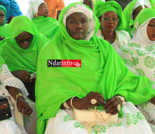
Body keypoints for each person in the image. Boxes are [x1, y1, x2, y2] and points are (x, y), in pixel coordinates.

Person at [35, 2, 155, 134]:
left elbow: (125, 79)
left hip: (109, 108)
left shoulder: (104, 49)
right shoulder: (52, 52)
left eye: (83, 22)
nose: (79, 26)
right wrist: (77, 102)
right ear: (64, 24)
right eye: (72, 21)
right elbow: (48, 91)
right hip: (69, 109)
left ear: (90, 24)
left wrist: (119, 99)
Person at [0, 15, 49, 102]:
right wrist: (16, 73)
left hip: (45, 80)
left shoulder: (41, 42)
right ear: (13, 38)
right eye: (20, 41)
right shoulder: (6, 48)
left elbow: (56, 63)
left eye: (28, 39)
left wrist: (41, 73)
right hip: (19, 85)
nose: (25, 43)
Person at [119, 8, 155, 127]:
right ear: (140, 26)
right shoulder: (127, 50)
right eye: (151, 25)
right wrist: (151, 95)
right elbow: (129, 80)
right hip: (143, 101)